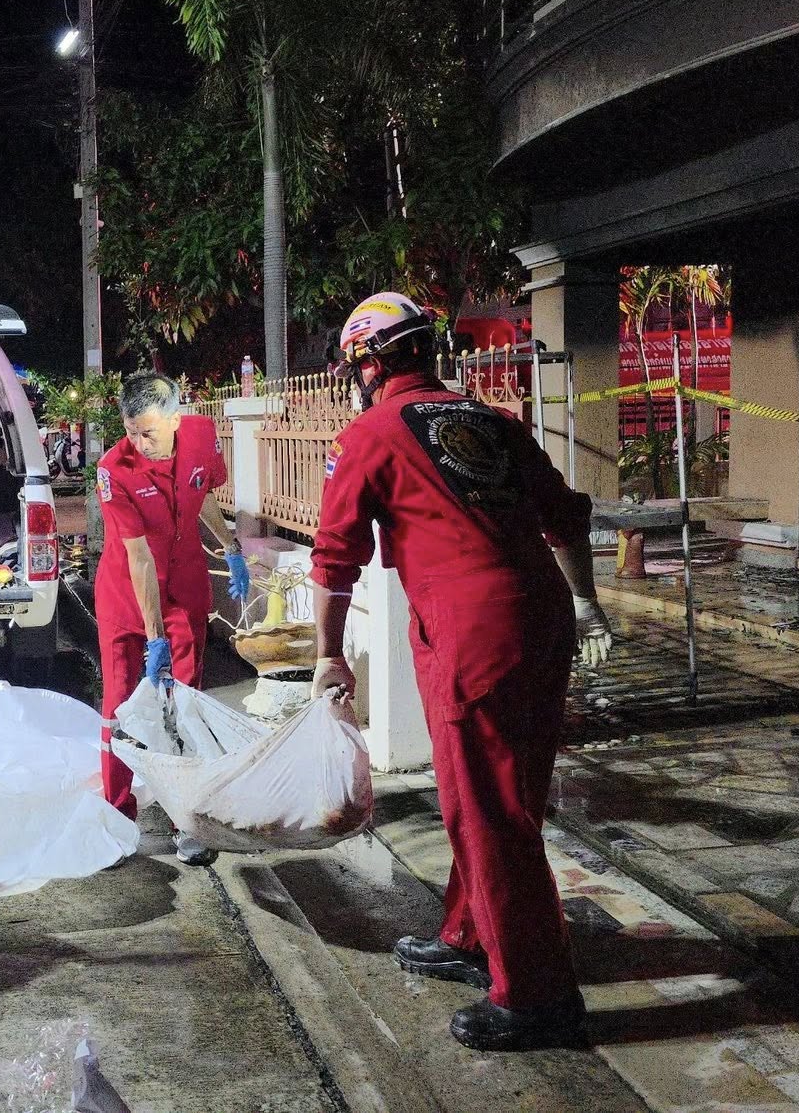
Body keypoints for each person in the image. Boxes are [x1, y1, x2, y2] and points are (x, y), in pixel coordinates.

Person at [307, 292, 614, 1052]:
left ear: (371, 365)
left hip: (474, 637)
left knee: (490, 810)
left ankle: (538, 996)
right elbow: (566, 516)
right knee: (499, 795)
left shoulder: (372, 434)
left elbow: (334, 559)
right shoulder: (491, 421)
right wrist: (587, 604)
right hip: (540, 619)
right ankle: (472, 932)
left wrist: (327, 654)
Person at [93, 372, 249, 866]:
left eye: (150, 433)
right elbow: (137, 559)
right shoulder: (113, 469)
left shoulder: (202, 435)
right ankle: (117, 818)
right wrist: (153, 639)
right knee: (119, 710)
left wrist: (232, 547)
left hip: (183, 592)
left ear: (177, 420)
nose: (139, 443)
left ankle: (190, 819)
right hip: (125, 599)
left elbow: (202, 495)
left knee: (188, 706)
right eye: (131, 431)